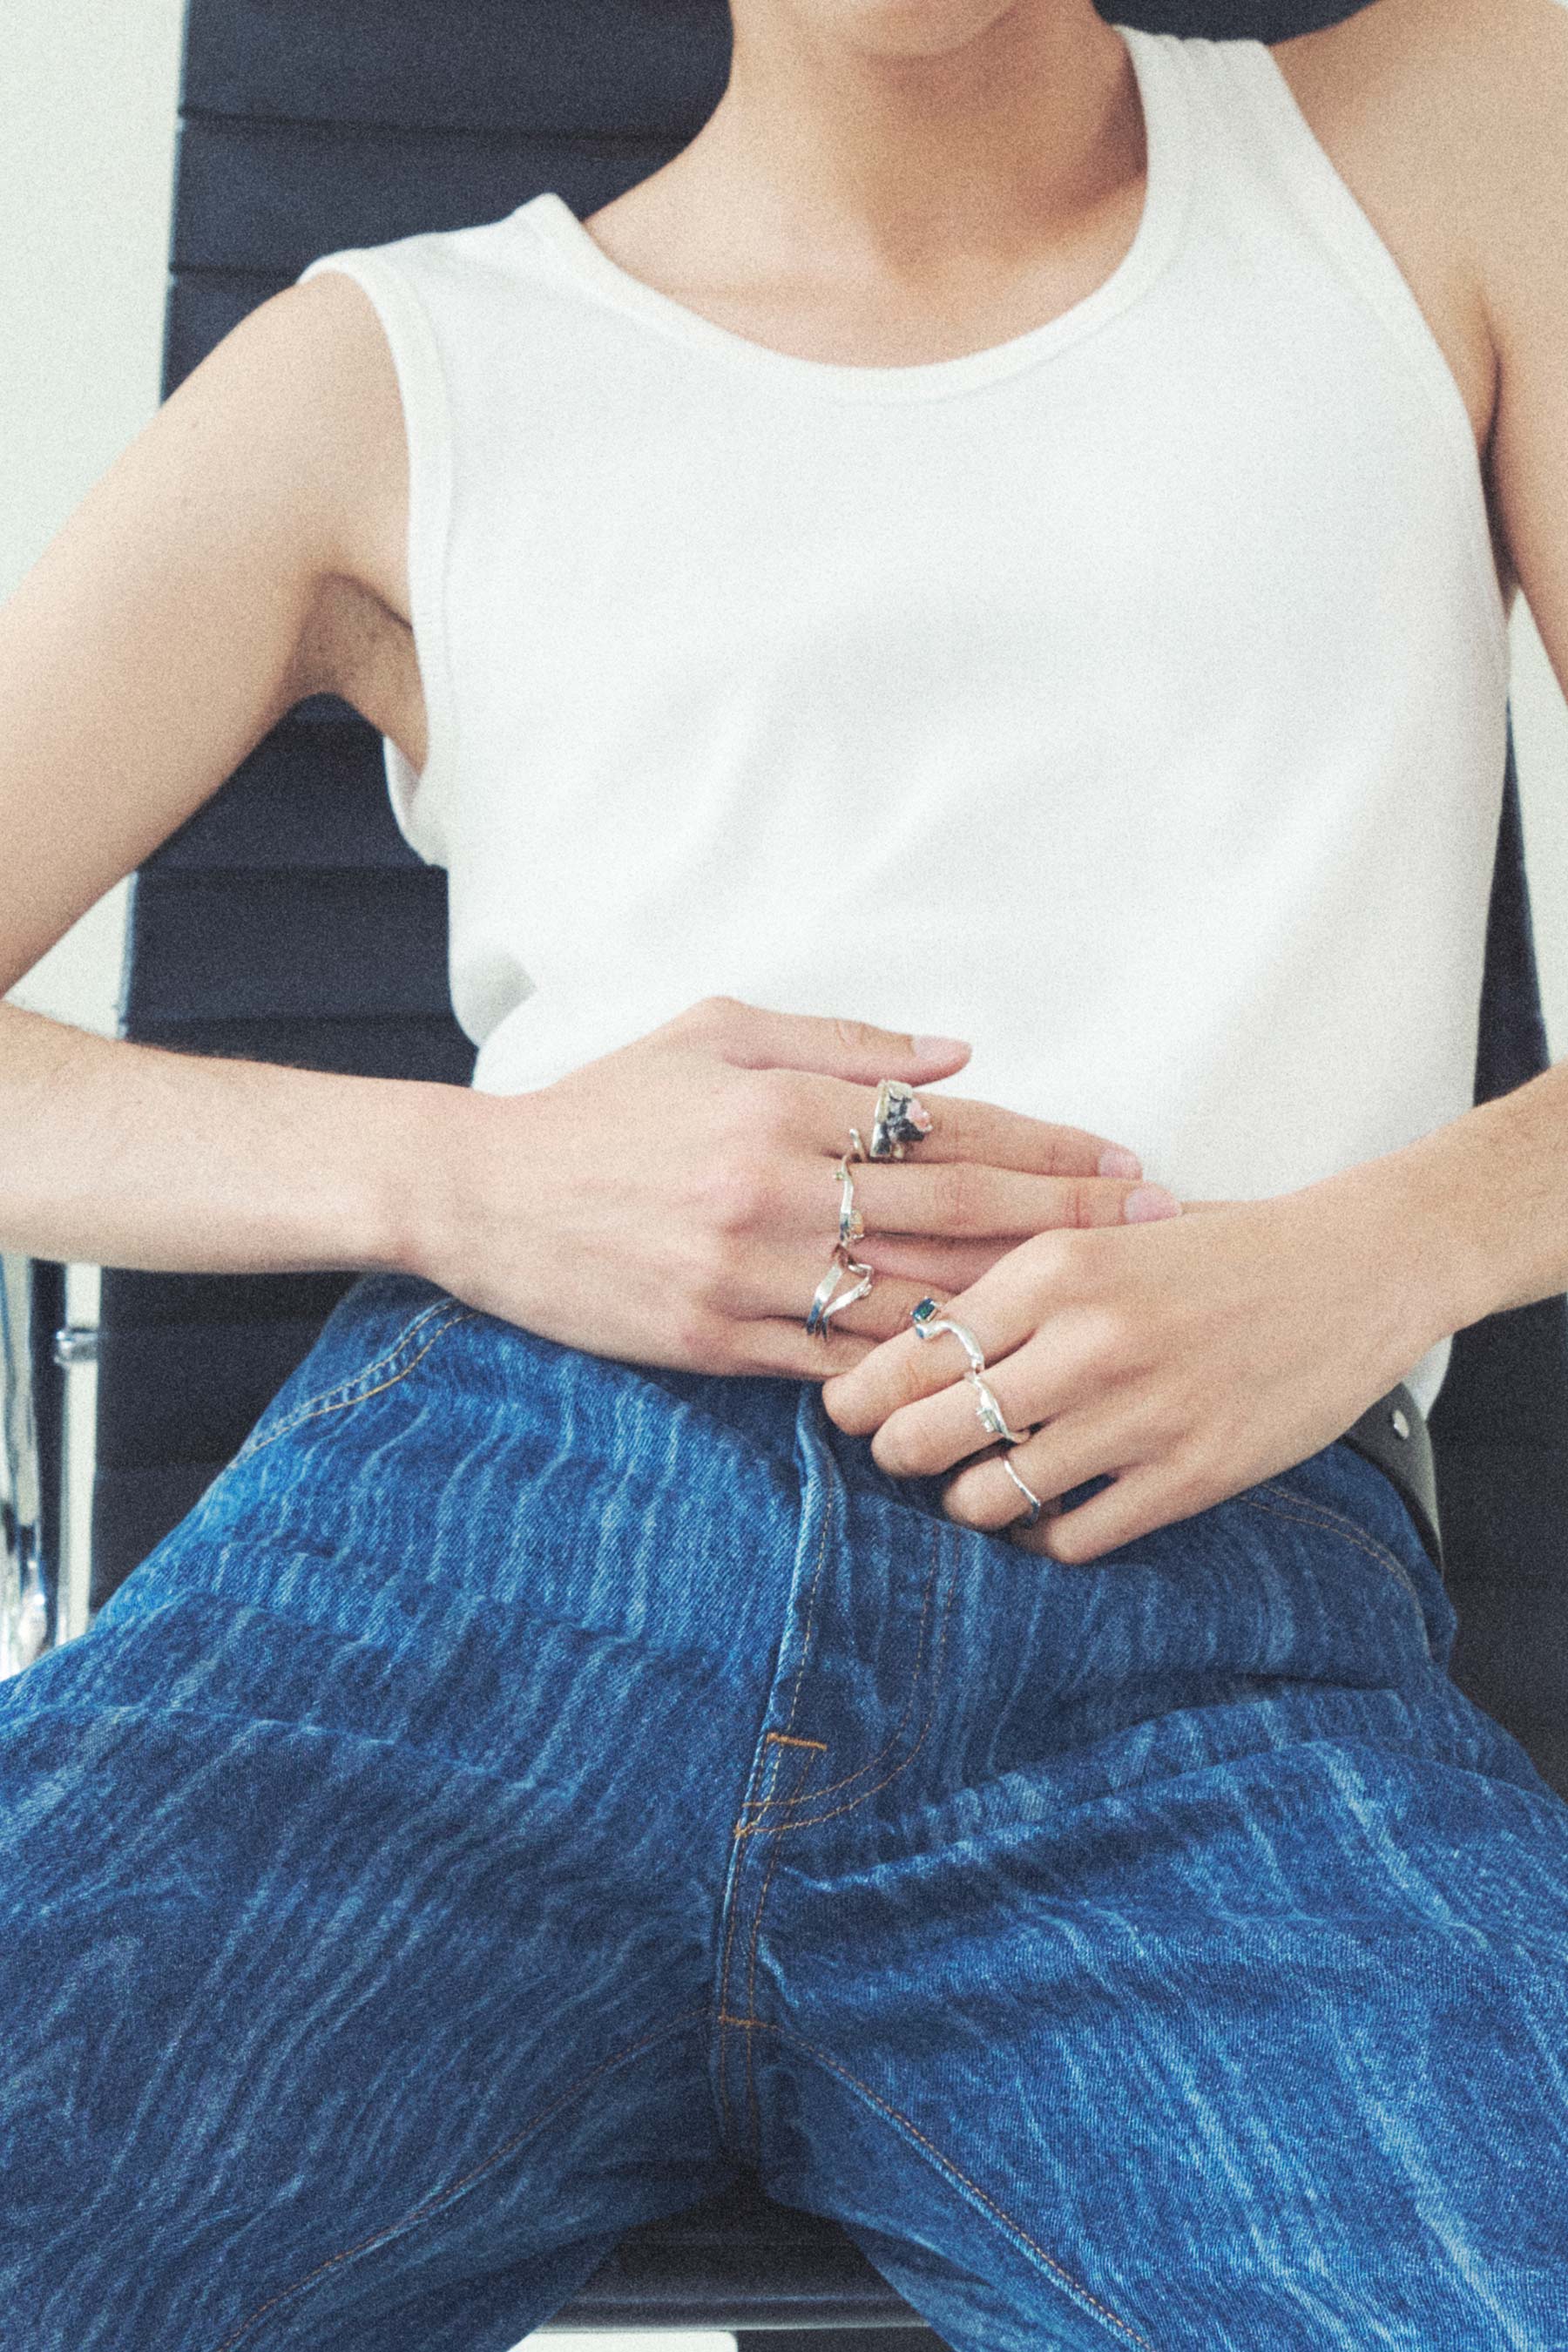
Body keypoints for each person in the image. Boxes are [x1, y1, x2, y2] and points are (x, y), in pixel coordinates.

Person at [3, 0, 1567, 2342]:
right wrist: (468, 1181)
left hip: (1202, 1653)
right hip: (475, 1565)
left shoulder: (1461, 133)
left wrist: (1371, 1259)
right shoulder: (398, 366)